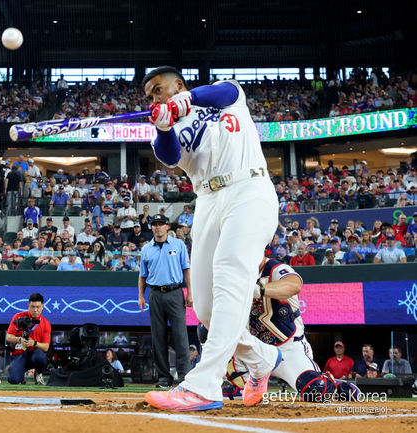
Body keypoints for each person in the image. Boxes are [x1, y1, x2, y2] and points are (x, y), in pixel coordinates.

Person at [142, 66, 282, 411]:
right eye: (149, 96)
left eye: (158, 89)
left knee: (231, 268)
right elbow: (171, 157)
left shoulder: (227, 98)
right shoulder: (167, 126)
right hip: (207, 200)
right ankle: (262, 358)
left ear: (178, 85)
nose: (154, 98)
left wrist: (182, 102)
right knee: (205, 307)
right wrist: (163, 126)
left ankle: (204, 385)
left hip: (248, 188)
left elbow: (226, 92)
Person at [227, 257, 359, 401]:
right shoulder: (234, 272)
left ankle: (333, 385)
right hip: (256, 349)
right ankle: (242, 387)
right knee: (210, 332)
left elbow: (294, 285)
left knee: (315, 389)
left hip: (288, 349)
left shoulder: (275, 268)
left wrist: (259, 290)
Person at [138, 214, 192, 389]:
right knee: (157, 337)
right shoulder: (146, 249)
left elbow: (186, 269)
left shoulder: (178, 245)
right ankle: (163, 377)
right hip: (154, 294)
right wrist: (140, 296)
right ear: (151, 228)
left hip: (175, 292)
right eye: (155, 224)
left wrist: (190, 293)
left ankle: (184, 377)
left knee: (181, 337)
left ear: (168, 227)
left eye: (161, 224)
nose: (157, 227)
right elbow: (142, 276)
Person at [6, 293, 51, 385]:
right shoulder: (18, 317)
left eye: (38, 307)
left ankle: (38, 373)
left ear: (42, 307)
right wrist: (19, 340)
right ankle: (19, 373)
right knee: (13, 380)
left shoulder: (45, 323)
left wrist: (34, 343)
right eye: (32, 307)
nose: (35, 310)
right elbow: (8, 337)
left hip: (34, 353)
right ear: (28, 306)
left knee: (40, 357)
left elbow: (46, 347)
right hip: (19, 353)